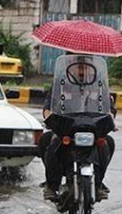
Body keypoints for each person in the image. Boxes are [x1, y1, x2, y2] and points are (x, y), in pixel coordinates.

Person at [39, 56, 116, 203]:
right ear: (70, 65)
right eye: (78, 66)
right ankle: (51, 185)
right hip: (66, 127)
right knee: (49, 141)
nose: (82, 70)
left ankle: (98, 183)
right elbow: (48, 107)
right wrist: (49, 119)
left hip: (92, 127)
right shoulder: (60, 84)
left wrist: (110, 120)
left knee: (108, 143)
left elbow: (109, 108)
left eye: (85, 65)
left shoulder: (99, 85)